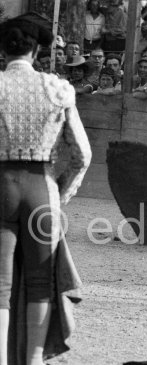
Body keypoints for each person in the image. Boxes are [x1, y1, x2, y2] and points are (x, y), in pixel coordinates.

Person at [0, 12, 91, 365]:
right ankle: (35, 359)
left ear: (4, 52)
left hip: (0, 188)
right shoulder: (58, 89)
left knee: (1, 285)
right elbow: (82, 154)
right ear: (36, 51)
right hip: (41, 189)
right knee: (40, 284)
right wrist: (60, 193)